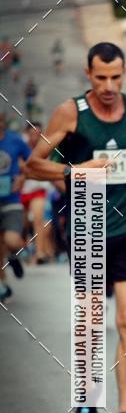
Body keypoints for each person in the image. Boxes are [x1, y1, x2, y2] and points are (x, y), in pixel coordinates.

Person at [25, 42, 126, 413]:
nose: (109, 86)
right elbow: (33, 164)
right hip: (87, 228)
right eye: (101, 78)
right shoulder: (70, 113)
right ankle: (88, 395)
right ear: (88, 74)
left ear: (124, 73)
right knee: (91, 322)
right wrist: (76, 169)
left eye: (116, 77)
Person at [0, 111, 29, 300]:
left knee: (11, 240)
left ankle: (14, 255)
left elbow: (33, 161)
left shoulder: (14, 140)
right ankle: (3, 286)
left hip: (11, 200)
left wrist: (23, 177)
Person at [21, 122, 53, 264]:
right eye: (32, 134)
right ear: (27, 134)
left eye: (37, 134)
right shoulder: (20, 147)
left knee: (38, 221)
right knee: (23, 225)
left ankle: (40, 253)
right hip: (21, 191)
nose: (35, 137)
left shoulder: (46, 148)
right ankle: (22, 251)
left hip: (39, 190)